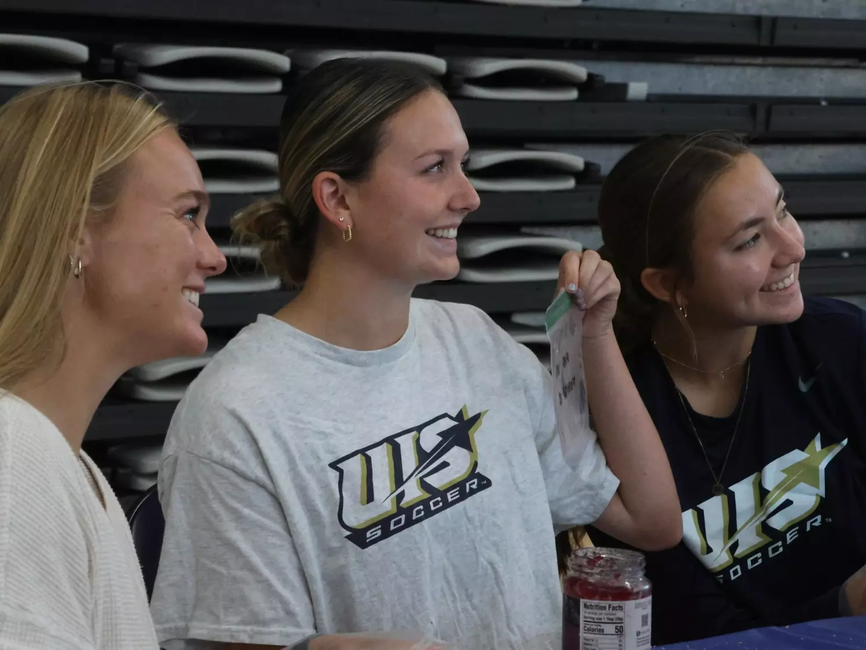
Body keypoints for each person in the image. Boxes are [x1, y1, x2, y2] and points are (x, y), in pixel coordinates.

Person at [150, 58, 681, 650]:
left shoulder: (479, 344)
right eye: (435, 169)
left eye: (465, 166)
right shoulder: (235, 413)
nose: (470, 196)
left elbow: (650, 520)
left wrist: (596, 337)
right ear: (337, 198)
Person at [0, 82, 230, 648]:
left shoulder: (42, 457)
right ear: (74, 230)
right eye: (187, 215)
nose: (215, 256)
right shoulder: (2, 459)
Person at [588, 132, 866, 644]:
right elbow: (685, 630)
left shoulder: (851, 348)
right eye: (749, 240)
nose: (794, 247)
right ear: (668, 284)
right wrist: (855, 596)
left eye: (783, 212)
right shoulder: (618, 419)